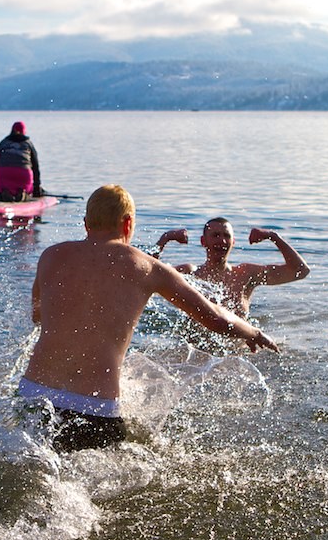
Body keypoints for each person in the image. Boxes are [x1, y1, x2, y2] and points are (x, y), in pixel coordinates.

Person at [18, 185, 278, 453]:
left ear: (87, 223)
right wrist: (253, 332)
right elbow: (214, 318)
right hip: (94, 408)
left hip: (33, 395)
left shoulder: (50, 256)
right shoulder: (145, 266)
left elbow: (38, 316)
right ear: (128, 223)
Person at [152, 218, 310, 318]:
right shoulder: (188, 273)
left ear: (233, 242)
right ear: (203, 241)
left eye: (226, 236)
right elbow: (145, 275)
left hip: (236, 356)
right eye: (215, 236)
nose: (222, 241)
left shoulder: (246, 274)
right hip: (195, 357)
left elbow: (300, 271)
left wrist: (273, 236)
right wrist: (165, 238)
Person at [0, 120, 42, 202]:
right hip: (23, 174)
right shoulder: (28, 144)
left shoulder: (3, 143)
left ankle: (4, 193)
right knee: (29, 191)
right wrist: (37, 187)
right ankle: (23, 193)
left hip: (3, 173)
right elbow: (35, 166)